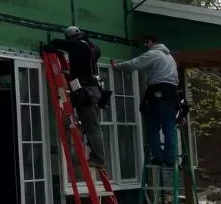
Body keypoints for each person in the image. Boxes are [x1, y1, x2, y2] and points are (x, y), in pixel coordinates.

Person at [43, 25, 108, 169]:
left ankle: (98, 158)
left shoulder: (77, 45)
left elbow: (58, 42)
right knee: (90, 125)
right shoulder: (93, 47)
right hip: (94, 90)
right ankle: (94, 155)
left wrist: (51, 46)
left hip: (85, 91)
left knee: (91, 127)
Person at [114, 35, 182, 166]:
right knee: (169, 128)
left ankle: (158, 157)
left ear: (153, 42)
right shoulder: (170, 58)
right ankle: (169, 158)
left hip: (157, 92)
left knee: (152, 126)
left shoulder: (154, 53)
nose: (145, 45)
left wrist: (118, 66)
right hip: (171, 95)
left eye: (146, 42)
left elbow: (135, 63)